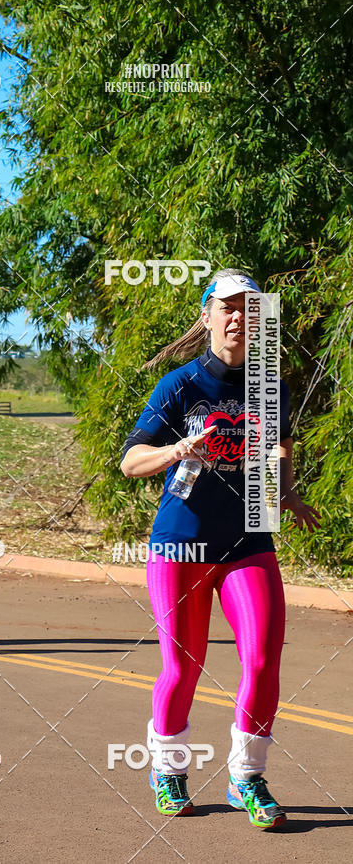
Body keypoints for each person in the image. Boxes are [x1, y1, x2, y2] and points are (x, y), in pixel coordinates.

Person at [121, 269, 320, 829]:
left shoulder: (270, 387)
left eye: (250, 310)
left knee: (261, 659)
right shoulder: (179, 386)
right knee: (183, 668)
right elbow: (130, 461)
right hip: (181, 546)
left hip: (247, 542)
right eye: (227, 307)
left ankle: (246, 778)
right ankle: (168, 770)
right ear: (207, 316)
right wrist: (176, 450)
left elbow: (279, 443)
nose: (238, 318)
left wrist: (286, 490)